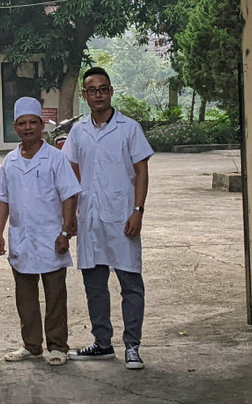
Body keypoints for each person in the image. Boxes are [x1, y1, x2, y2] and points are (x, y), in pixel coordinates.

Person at [63, 67, 154, 370]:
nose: (98, 94)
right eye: (92, 90)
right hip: (89, 218)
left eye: (103, 89)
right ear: (85, 95)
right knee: (95, 285)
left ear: (111, 91)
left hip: (123, 216)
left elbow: (141, 172)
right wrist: (72, 216)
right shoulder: (78, 132)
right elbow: (72, 174)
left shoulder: (129, 128)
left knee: (130, 282)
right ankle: (102, 343)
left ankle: (132, 346)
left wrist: (138, 210)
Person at [0, 96, 81, 367]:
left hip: (51, 238)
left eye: (33, 122)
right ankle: (31, 345)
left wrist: (66, 232)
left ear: (42, 126)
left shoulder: (55, 158)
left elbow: (69, 195)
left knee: (55, 295)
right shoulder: (9, 161)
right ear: (15, 127)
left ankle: (58, 346)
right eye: (22, 123)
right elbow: (3, 200)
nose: (28, 127)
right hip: (21, 238)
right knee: (25, 297)